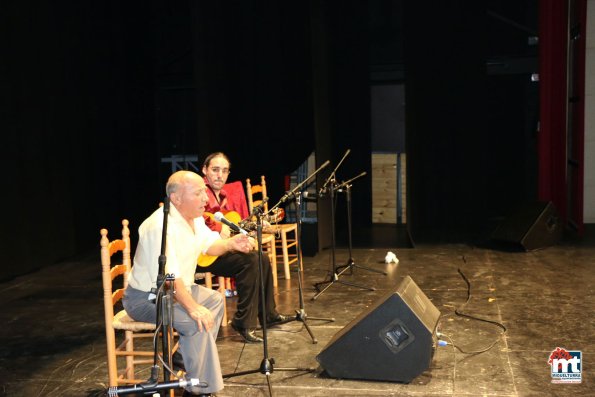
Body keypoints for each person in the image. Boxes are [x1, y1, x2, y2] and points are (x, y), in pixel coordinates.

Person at [123, 170, 254, 396]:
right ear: (177, 198)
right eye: (198, 193)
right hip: (146, 299)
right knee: (197, 322)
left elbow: (209, 246)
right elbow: (170, 278)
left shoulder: (193, 220)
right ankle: (202, 389)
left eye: (204, 192)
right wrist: (193, 308)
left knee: (214, 301)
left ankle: (184, 358)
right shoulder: (158, 227)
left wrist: (232, 244)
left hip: (175, 290)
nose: (205, 198)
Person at [200, 152, 290, 343]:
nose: (220, 175)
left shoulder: (222, 195)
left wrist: (254, 224)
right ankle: (243, 322)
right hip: (202, 253)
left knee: (261, 257)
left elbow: (229, 225)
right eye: (215, 170)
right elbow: (195, 218)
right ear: (204, 170)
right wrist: (219, 226)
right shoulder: (199, 192)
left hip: (219, 249)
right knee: (249, 262)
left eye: (224, 171)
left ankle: (268, 314)